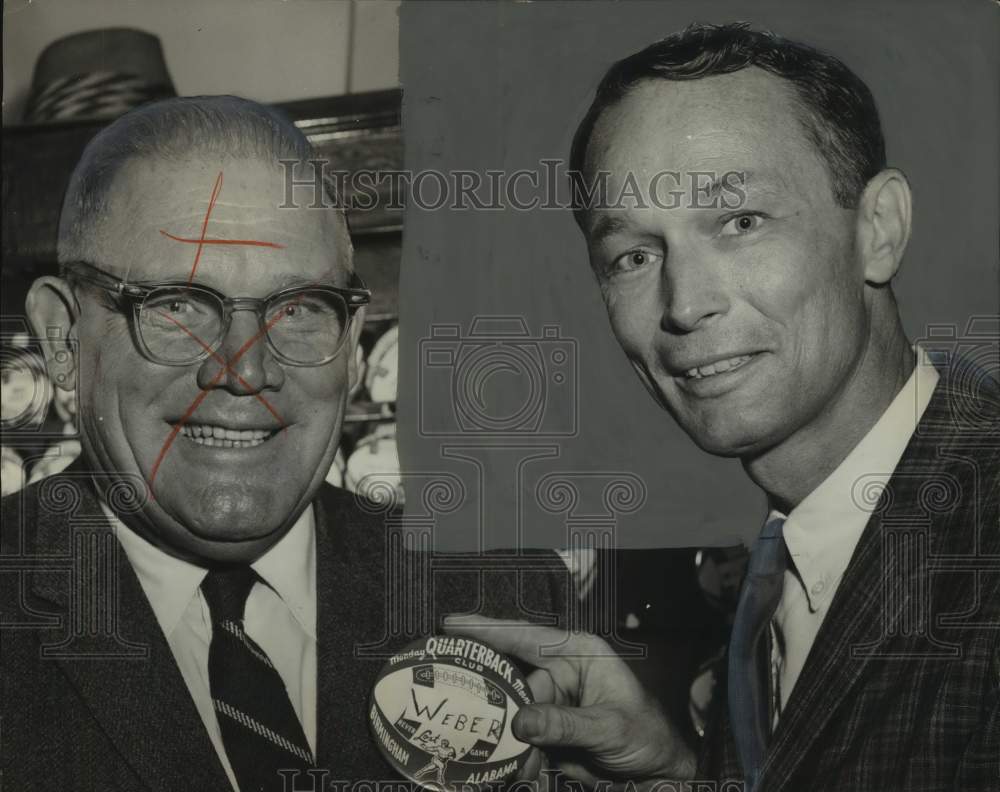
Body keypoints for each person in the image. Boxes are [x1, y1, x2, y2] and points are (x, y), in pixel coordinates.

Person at [447, 22, 999, 792]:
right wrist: (681, 779)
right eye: (634, 256)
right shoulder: (789, 552)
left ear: (879, 230)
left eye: (740, 222)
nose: (685, 304)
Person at [1, 96, 566, 791]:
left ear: (354, 350)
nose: (245, 369)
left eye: (298, 309)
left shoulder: (496, 594)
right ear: (62, 338)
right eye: (177, 304)